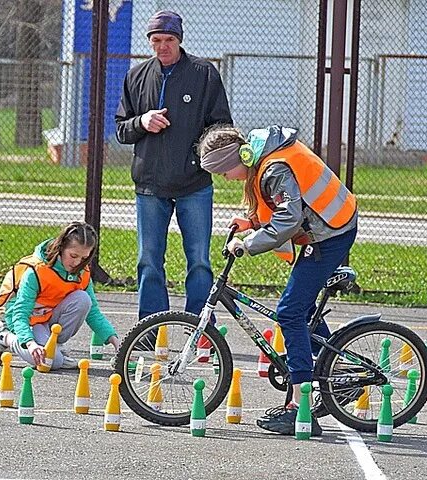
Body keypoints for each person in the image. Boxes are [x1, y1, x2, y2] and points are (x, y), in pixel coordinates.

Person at [198, 124, 358, 436]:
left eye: (223, 171)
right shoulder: (264, 161)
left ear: (238, 158)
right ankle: (334, 376)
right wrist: (251, 222)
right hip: (326, 227)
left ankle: (300, 407)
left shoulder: (273, 166)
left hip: (332, 233)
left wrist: (248, 243)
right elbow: (280, 204)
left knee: (289, 312)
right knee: (302, 308)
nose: (225, 178)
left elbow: (289, 217)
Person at [115, 10, 232, 322]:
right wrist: (142, 121)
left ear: (179, 40)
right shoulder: (136, 76)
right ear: (149, 41)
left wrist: (197, 157)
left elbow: (221, 126)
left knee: (199, 261)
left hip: (194, 185)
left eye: (168, 39)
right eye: (156, 40)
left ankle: (201, 328)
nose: (162, 46)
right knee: (149, 260)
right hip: (150, 187)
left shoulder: (204, 73)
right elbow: (121, 129)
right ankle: (151, 328)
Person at [0, 222, 120, 370]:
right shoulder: (37, 271)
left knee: (83, 299)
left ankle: (55, 348)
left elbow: (93, 313)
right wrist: (30, 343)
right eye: (73, 255)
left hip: (48, 319)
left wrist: (117, 343)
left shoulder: (82, 273)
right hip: (27, 322)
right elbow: (20, 313)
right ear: (61, 248)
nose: (77, 262)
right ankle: (1, 336)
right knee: (51, 362)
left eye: (84, 258)